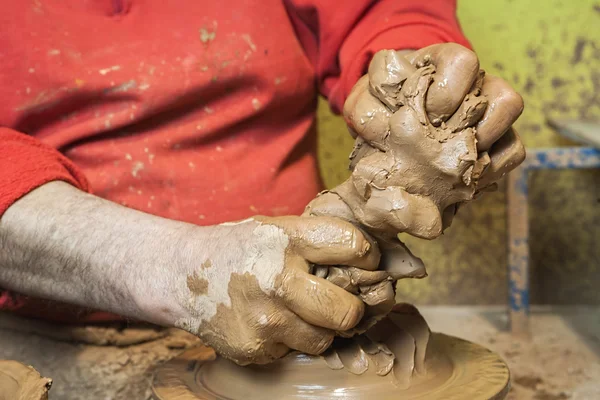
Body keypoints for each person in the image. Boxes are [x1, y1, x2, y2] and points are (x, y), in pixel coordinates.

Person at [0, 1, 523, 364]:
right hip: (43, 326)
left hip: (300, 315)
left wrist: (416, 86)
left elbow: (378, 10)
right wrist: (175, 267)